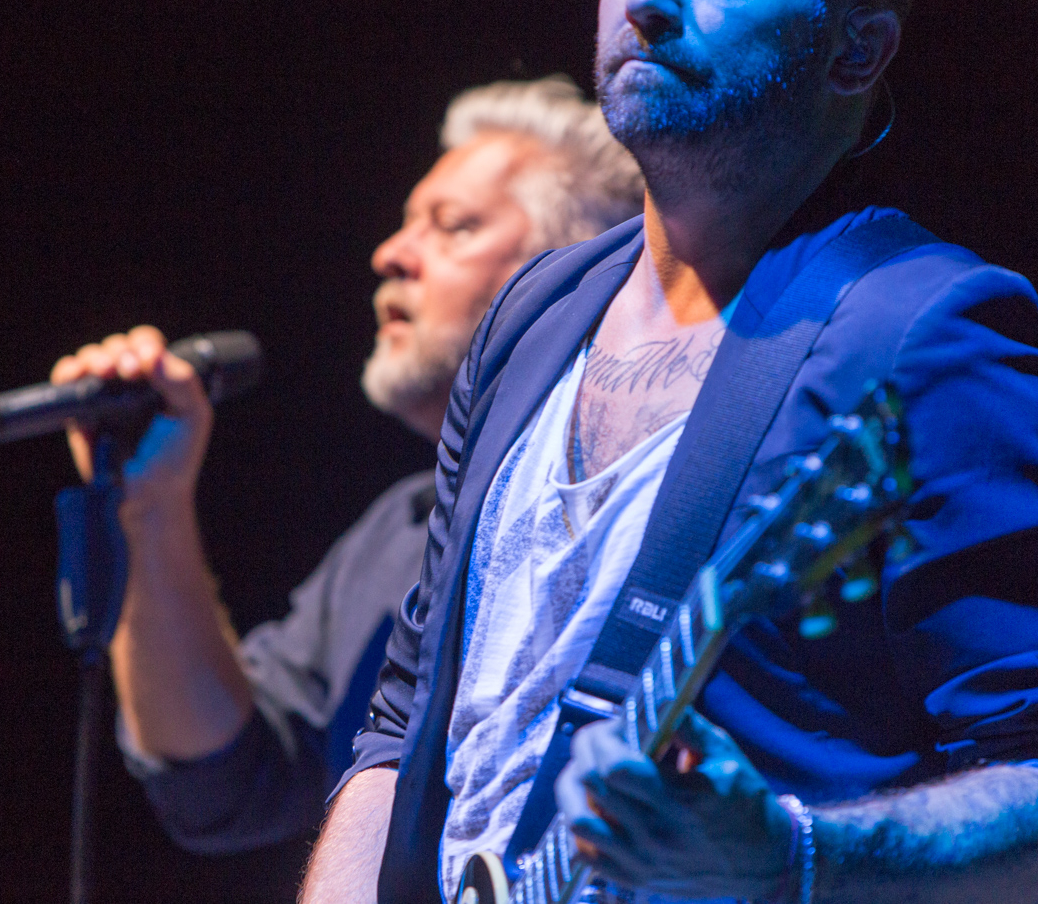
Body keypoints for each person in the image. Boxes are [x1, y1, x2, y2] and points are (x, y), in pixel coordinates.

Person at [303, 0, 1038, 904]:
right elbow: (403, 726)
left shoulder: (925, 332)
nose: (649, 1)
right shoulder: (532, 313)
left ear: (857, 51)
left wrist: (796, 858)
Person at [48, 76, 644, 863]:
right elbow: (222, 782)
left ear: (572, 271)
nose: (391, 254)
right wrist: (147, 508)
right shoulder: (398, 531)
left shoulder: (640, 496)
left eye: (452, 226)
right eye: (404, 226)